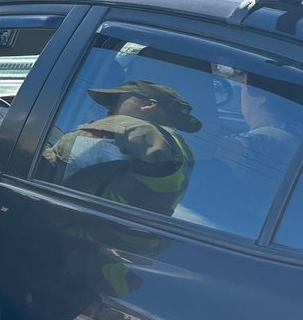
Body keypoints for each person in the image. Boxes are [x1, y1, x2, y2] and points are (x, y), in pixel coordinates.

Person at [42, 79, 199, 217]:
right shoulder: (180, 147)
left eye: (117, 99)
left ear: (148, 105)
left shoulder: (135, 129)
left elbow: (58, 169)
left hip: (78, 230)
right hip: (123, 238)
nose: (108, 107)